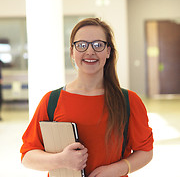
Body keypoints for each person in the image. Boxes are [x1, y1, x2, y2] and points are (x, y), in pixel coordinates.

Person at [20, 17, 153, 177]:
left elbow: (145, 151)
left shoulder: (128, 101)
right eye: (82, 45)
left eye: (98, 45)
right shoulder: (52, 100)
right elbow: (27, 156)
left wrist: (116, 169)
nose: (90, 51)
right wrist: (62, 160)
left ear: (108, 51)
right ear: (72, 51)